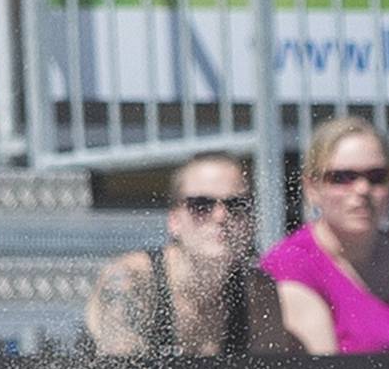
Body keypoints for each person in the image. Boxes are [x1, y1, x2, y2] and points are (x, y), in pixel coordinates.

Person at [264, 113, 389, 354]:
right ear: (312, 188)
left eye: (376, 177)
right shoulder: (291, 265)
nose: (362, 189)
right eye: (342, 177)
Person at [84, 145, 291, 356]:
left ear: (250, 219)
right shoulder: (132, 279)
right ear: (174, 220)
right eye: (201, 205)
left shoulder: (257, 292)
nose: (221, 216)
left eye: (236, 204)